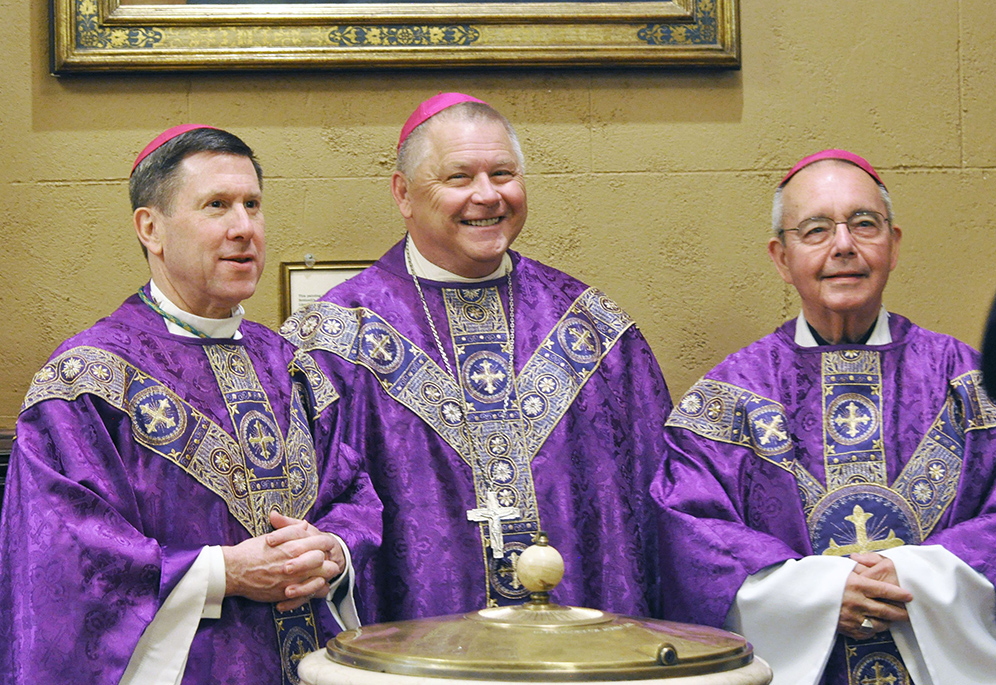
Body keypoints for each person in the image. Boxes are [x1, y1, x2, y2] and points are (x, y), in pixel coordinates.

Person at [0, 125, 382, 685]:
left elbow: (353, 493)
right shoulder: (86, 383)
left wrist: (333, 551)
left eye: (253, 205)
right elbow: (64, 560)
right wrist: (223, 572)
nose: (244, 228)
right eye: (217, 206)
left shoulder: (294, 366)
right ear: (150, 228)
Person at [281, 93, 672, 622]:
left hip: (580, 660)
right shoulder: (333, 340)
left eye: (504, 174)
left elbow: (656, 514)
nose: (487, 196)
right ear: (404, 193)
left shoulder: (594, 331)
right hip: (419, 658)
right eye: (459, 178)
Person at [653, 149, 996, 684]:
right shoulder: (728, 399)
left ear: (894, 243)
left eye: (864, 224)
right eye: (815, 230)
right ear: (780, 257)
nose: (844, 246)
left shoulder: (971, 385)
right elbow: (691, 540)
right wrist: (821, 597)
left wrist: (912, 578)